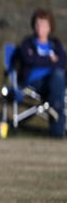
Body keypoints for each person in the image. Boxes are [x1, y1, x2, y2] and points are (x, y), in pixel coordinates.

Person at [15, 9, 65, 138]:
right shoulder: (28, 43)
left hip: (54, 81)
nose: (40, 28)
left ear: (50, 27)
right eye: (37, 24)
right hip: (34, 81)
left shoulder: (55, 44)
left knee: (58, 77)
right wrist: (50, 59)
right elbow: (27, 60)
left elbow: (63, 62)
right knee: (58, 81)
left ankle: (54, 109)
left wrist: (38, 59)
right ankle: (57, 130)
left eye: (43, 25)